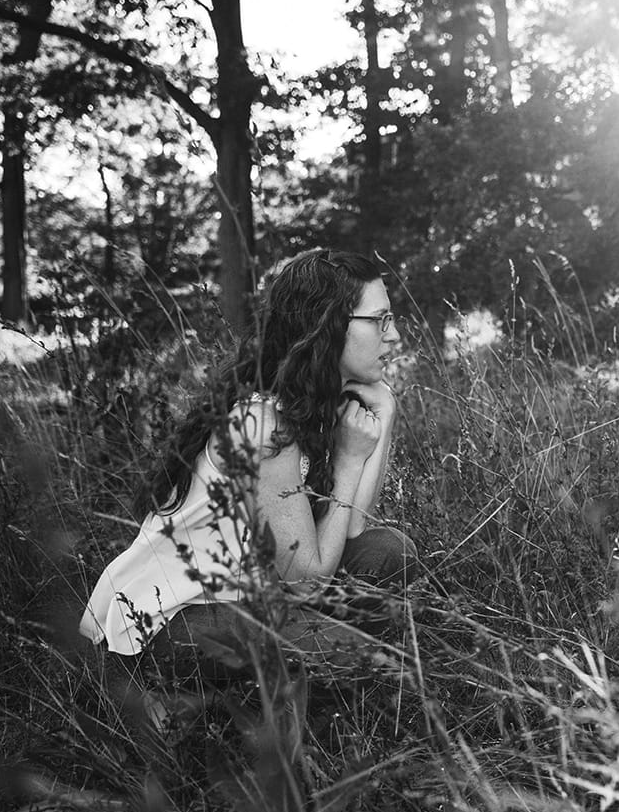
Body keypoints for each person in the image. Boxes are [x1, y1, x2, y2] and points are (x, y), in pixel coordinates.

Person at [79, 249, 418, 679]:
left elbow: (350, 530)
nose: (393, 336)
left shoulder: (304, 401)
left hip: (255, 597)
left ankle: (265, 684)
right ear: (328, 325)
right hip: (172, 619)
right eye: (379, 320)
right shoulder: (263, 422)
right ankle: (168, 696)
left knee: (389, 549)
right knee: (374, 668)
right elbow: (309, 582)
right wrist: (349, 462)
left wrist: (383, 416)